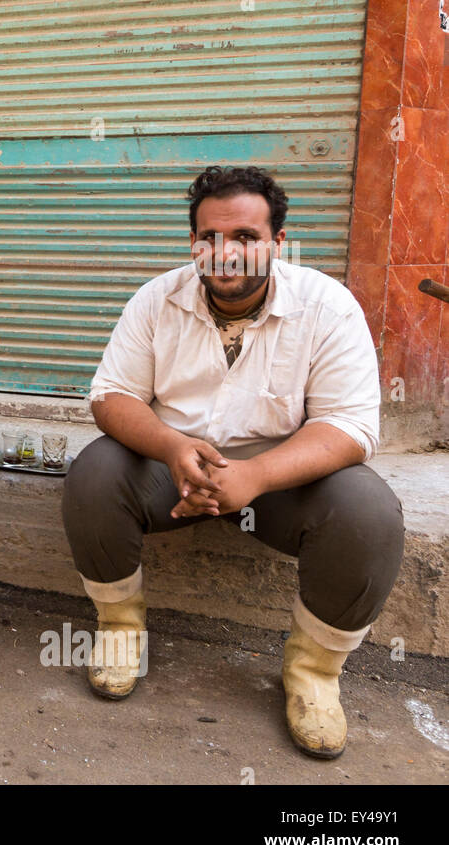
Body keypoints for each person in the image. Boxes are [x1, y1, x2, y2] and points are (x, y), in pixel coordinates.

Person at [61, 166, 404, 758]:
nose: (226, 253)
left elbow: (350, 426)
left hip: (278, 484)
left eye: (245, 236)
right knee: (94, 473)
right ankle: (120, 630)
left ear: (277, 240)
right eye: (209, 237)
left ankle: (314, 675)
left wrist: (255, 475)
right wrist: (172, 448)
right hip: (173, 473)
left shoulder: (328, 307)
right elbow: (110, 396)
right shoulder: (156, 299)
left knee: (368, 510)